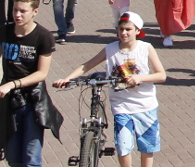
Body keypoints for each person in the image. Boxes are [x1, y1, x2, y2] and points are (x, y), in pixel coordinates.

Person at [54, 11, 167, 167]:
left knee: (147, 145)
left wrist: (140, 78)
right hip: (122, 106)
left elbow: (161, 75)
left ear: (137, 31)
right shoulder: (111, 49)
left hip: (145, 105)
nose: (124, 33)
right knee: (123, 145)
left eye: (128, 29)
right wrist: (67, 78)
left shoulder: (146, 48)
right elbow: (87, 65)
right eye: (121, 29)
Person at [0, 0, 60, 167]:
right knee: (12, 157)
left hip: (33, 101)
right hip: (8, 101)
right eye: (15, 10)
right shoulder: (4, 32)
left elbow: (42, 73)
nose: (17, 15)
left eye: (22, 11)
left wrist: (12, 84)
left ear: (35, 11)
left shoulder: (43, 36)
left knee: (31, 158)